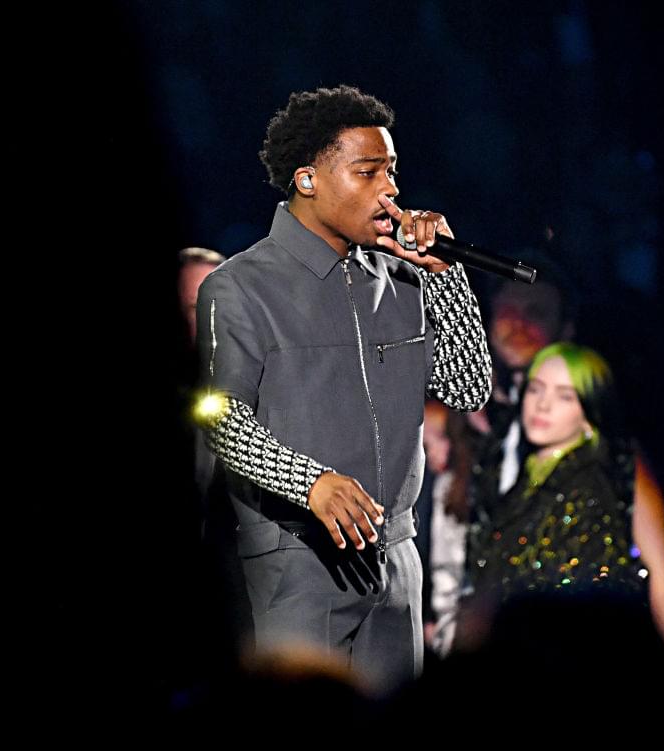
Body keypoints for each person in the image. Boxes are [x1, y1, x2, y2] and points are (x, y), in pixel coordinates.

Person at [194, 85, 492, 695]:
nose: (392, 190)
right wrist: (310, 483)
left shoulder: (407, 279)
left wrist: (448, 279)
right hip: (295, 560)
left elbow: (466, 389)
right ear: (308, 179)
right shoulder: (239, 286)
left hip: (396, 556)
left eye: (393, 171)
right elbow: (222, 418)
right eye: (368, 172)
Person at [461, 342, 664, 648]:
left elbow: (663, 571)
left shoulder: (614, 470)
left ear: (589, 409)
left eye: (565, 396)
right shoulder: (520, 478)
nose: (543, 405)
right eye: (536, 389)